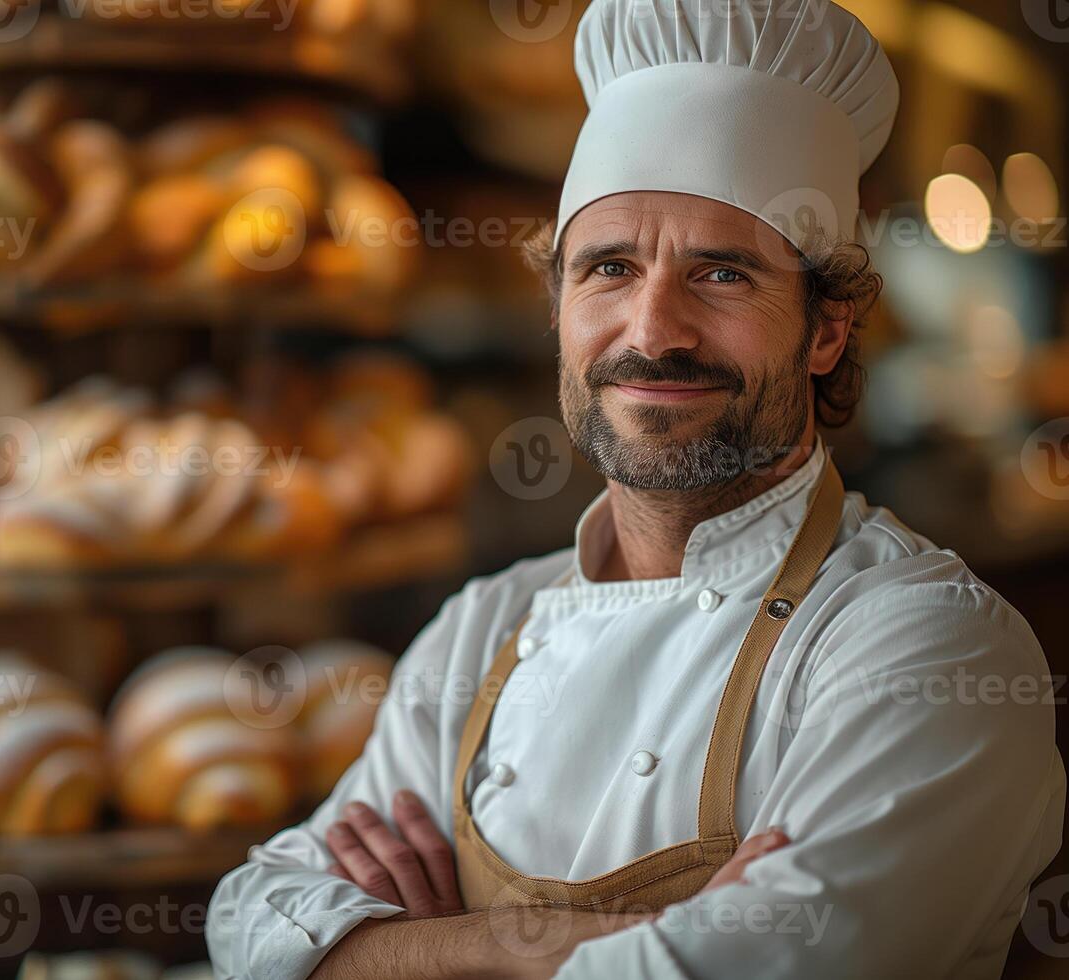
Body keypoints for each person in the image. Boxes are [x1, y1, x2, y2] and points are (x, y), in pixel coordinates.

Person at [207, 1, 1066, 977]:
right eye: (609, 267)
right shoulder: (482, 629)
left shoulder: (924, 643)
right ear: (558, 307)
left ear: (826, 327)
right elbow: (250, 923)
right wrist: (532, 942)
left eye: (723, 273)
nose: (653, 329)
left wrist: (400, 950)